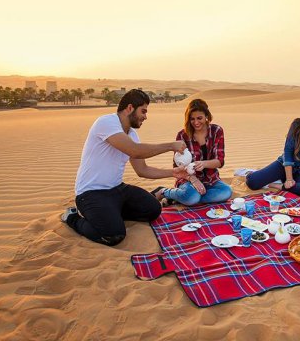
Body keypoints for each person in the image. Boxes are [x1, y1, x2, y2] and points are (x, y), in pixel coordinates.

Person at [62, 89, 188, 246]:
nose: (145, 117)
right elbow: (134, 150)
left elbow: (142, 170)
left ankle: (111, 213)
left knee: (153, 210)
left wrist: (173, 173)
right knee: (113, 235)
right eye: (143, 111)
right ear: (130, 108)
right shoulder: (106, 123)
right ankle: (72, 218)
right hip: (91, 193)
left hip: (117, 189)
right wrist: (170, 145)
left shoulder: (132, 134)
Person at [154, 99, 232, 206]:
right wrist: (193, 179)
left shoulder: (217, 131)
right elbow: (177, 166)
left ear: (206, 116)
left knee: (226, 192)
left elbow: (220, 161)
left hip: (211, 180)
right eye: (192, 119)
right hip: (188, 180)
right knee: (192, 197)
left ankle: (181, 198)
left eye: (199, 118)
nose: (196, 122)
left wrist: (204, 164)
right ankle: (165, 192)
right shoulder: (182, 135)